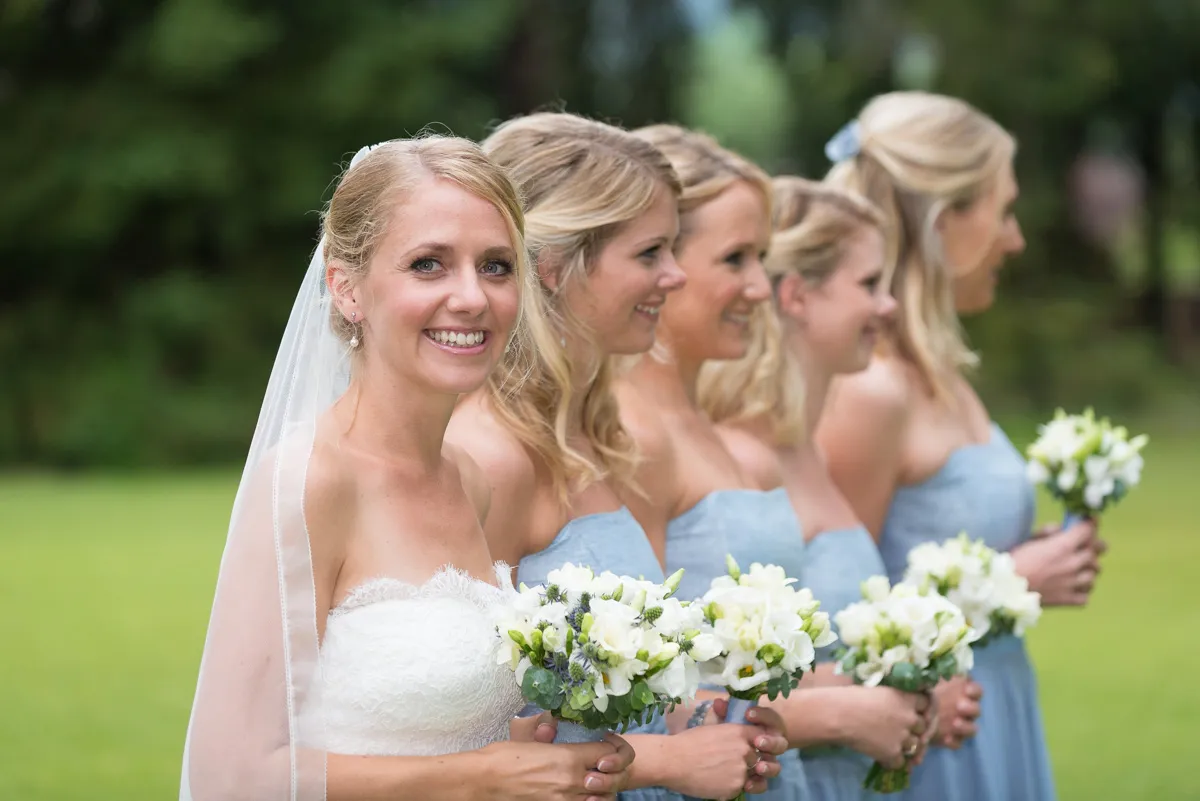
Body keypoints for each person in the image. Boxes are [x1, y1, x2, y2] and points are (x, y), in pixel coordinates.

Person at [180, 136, 634, 801]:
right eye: (429, 264)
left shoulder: (471, 480)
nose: (472, 297)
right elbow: (236, 775)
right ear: (347, 288)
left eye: (497, 266)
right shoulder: (310, 481)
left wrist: (529, 752)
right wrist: (484, 776)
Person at [447, 112, 791, 801]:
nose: (673, 275)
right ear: (553, 265)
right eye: (651, 253)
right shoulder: (486, 456)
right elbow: (452, 730)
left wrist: (693, 714)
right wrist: (667, 762)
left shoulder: (592, 441)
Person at [817, 91, 1106, 801]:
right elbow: (830, 610)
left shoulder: (939, 370)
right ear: (944, 224)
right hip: (927, 740)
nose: (1017, 239)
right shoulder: (868, 390)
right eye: (1003, 212)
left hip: (995, 704)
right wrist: (1011, 580)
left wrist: (1019, 558)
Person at [698, 178, 934, 800]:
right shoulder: (735, 454)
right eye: (869, 285)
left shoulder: (805, 447)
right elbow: (699, 687)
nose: (889, 308)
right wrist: (849, 712)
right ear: (798, 295)